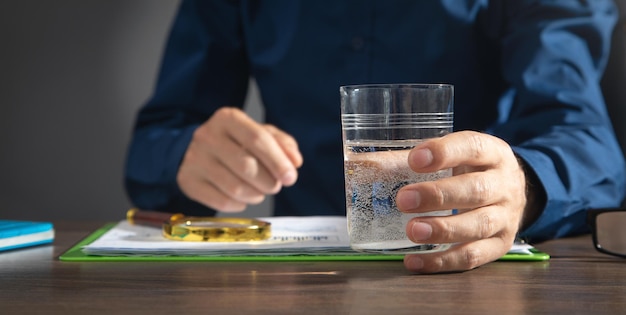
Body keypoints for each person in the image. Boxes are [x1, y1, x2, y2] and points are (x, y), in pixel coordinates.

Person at [124, 0, 626, 273]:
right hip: (300, 281)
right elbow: (156, 141)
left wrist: (524, 184)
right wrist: (186, 155)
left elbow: (586, 138)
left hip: (465, 272)